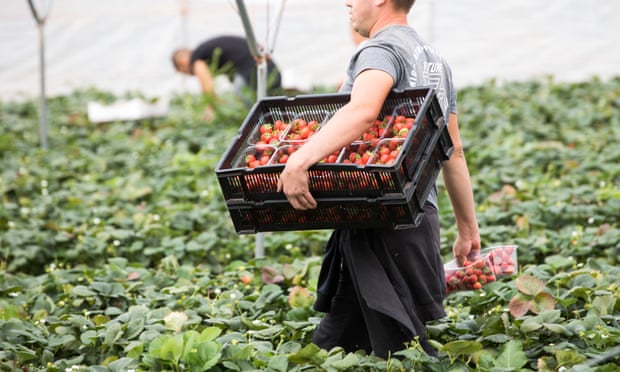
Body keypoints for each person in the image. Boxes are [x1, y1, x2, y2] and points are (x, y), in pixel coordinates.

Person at [277, 0, 480, 359]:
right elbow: (454, 151)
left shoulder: (380, 50)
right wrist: (468, 229)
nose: (348, 3)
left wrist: (299, 159)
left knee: (401, 354)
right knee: (338, 345)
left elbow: (363, 111)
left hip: (379, 224)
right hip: (415, 223)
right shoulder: (436, 62)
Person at [172, 35, 282, 118]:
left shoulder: (196, 57)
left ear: (183, 62)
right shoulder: (207, 50)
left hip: (257, 72)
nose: (191, 74)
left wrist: (210, 106)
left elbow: (206, 82)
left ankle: (255, 123)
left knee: (250, 108)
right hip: (271, 73)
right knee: (267, 109)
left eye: (184, 72)